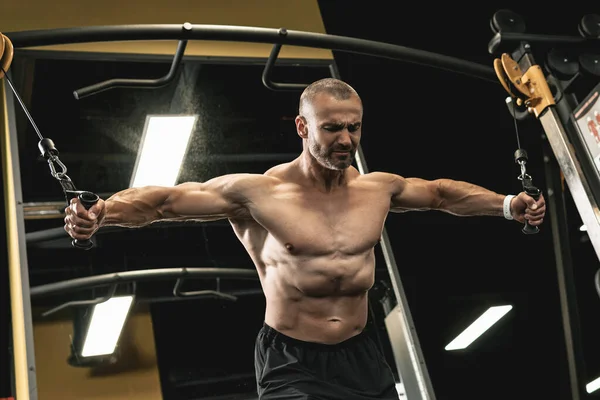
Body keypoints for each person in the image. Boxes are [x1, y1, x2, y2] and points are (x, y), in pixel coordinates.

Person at [64, 78, 546, 399]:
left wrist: (508, 204)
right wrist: (103, 212)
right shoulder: (258, 192)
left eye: (353, 128)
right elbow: (165, 201)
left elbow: (441, 194)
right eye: (331, 128)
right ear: (302, 127)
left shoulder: (377, 189)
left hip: (363, 352)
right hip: (291, 358)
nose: (345, 140)